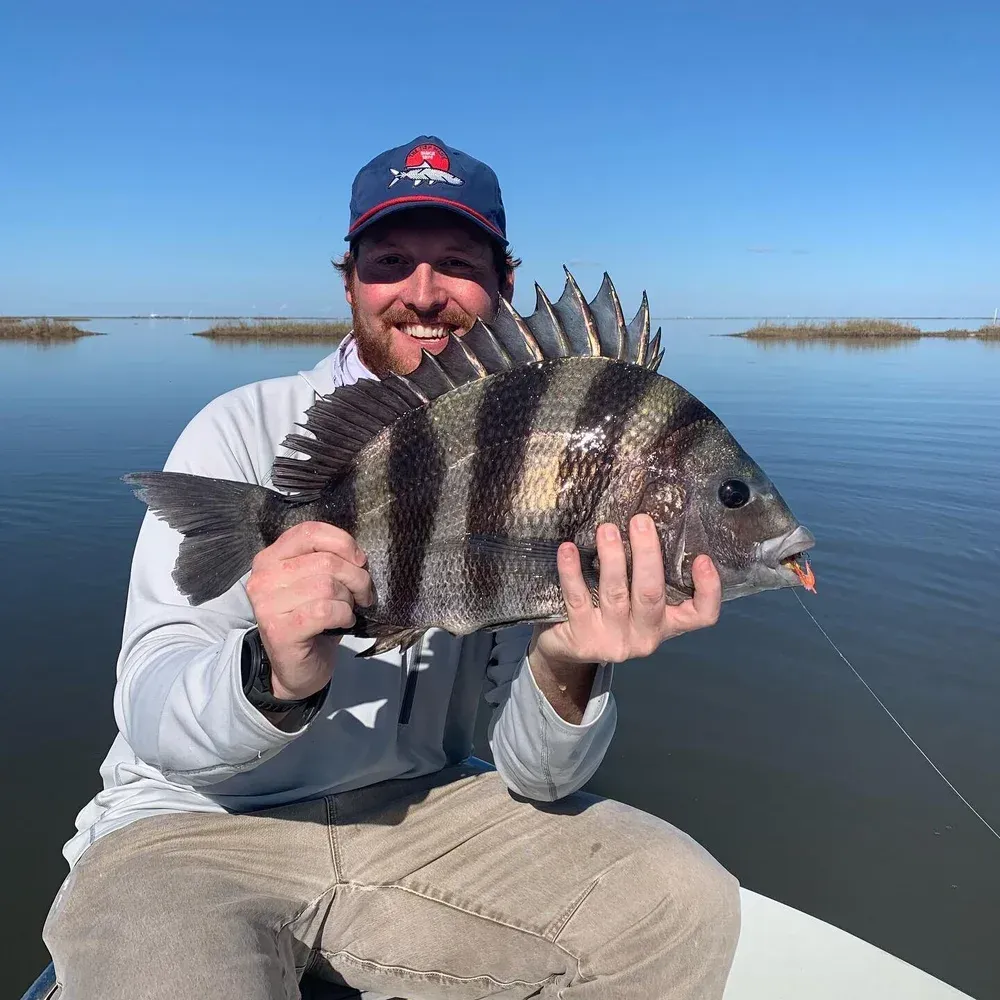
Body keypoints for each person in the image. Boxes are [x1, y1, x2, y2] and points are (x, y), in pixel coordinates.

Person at [43, 136, 741, 999]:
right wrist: (271, 675)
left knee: (680, 902)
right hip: (195, 829)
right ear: (350, 283)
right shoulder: (239, 431)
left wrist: (568, 660)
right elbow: (151, 711)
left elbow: (537, 777)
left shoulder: (552, 453)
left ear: (504, 288)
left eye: (455, 262)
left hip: (423, 817)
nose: (422, 292)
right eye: (390, 261)